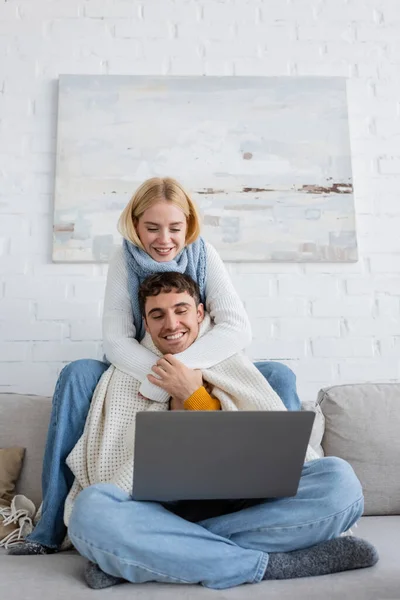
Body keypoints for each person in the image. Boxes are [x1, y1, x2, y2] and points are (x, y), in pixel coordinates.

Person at [9, 177, 301, 556]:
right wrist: (164, 380)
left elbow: (236, 327)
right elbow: (116, 341)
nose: (164, 238)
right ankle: (50, 529)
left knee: (278, 374)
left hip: (203, 357)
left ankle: (290, 508)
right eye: (152, 228)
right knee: (78, 373)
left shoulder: (204, 254)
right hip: (138, 363)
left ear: (189, 225)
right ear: (135, 225)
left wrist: (183, 372)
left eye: (175, 228)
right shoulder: (124, 259)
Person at [65, 272, 378, 590]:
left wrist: (192, 395)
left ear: (200, 313)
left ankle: (151, 555)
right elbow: (115, 470)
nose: (171, 324)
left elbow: (261, 450)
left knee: (339, 483)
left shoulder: (234, 366)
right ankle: (269, 564)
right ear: (145, 323)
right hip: (154, 511)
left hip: (243, 507)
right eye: (157, 315)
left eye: (181, 310)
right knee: (91, 512)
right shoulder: (127, 375)